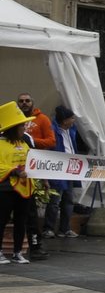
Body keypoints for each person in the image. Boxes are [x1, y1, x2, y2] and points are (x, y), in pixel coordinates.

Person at [0, 101, 36, 263]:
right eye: (22, 126)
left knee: (21, 220)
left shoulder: (24, 143)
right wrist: (15, 171)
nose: (24, 128)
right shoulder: (1, 144)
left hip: (24, 188)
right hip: (5, 189)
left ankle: (17, 252)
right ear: (14, 128)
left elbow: (33, 161)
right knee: (2, 220)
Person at [44, 106, 82, 239]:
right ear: (65, 120)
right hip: (58, 169)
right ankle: (48, 228)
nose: (74, 120)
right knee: (54, 200)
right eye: (71, 118)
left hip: (71, 169)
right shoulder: (53, 131)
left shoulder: (71, 130)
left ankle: (65, 228)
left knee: (69, 199)